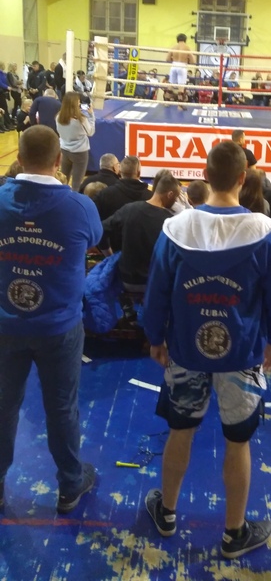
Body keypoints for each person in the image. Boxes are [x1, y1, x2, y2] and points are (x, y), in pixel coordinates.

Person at [142, 140, 271, 559]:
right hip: (242, 353)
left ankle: (167, 512)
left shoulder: (176, 229)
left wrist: (155, 337)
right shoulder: (265, 231)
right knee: (238, 441)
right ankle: (234, 533)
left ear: (205, 176)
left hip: (185, 349)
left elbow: (157, 292)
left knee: (181, 430)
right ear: (243, 178)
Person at [0, 126, 102, 512]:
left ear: (19, 158)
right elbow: (93, 239)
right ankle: (70, 485)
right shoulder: (79, 206)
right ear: (59, 161)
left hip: (5, 323)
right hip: (58, 326)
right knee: (61, 408)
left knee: (3, 405)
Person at [102, 172, 180, 289]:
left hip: (126, 280)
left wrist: (109, 256)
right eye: (176, 197)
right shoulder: (169, 221)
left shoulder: (129, 209)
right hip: (153, 283)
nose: (176, 200)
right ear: (170, 194)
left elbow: (102, 230)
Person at [56, 91, 96, 192]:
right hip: (80, 153)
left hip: (64, 149)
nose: (79, 103)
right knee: (76, 183)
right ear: (75, 104)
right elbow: (91, 132)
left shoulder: (58, 117)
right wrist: (91, 115)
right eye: (78, 102)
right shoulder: (81, 120)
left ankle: (61, 195)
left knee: (63, 178)